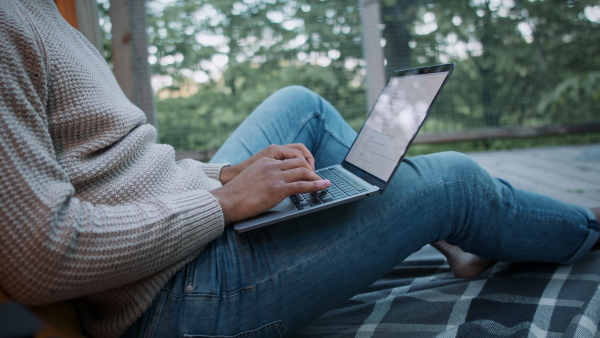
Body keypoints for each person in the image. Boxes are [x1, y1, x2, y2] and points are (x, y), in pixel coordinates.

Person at [1, 1, 598, 337]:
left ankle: (435, 229)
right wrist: (222, 205)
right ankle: (583, 225)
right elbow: (42, 253)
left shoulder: (48, 14)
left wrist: (223, 176)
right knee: (454, 182)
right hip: (171, 296)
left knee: (300, 106)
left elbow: (112, 168)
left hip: (180, 228)